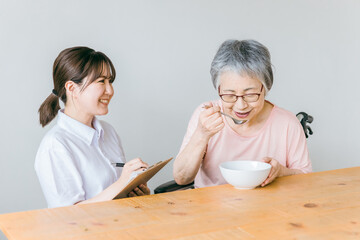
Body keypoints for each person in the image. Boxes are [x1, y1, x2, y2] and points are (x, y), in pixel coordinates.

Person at [173, 39, 312, 188]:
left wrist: (281, 172)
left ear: (265, 88)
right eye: (229, 95)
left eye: (250, 94)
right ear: (218, 89)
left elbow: (306, 178)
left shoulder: (287, 123)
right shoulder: (205, 116)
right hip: (211, 208)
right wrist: (202, 134)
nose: (240, 106)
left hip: (270, 208)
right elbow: (181, 178)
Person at [35, 46, 150, 208]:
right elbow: (68, 213)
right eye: (101, 81)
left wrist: (133, 192)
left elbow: (114, 196)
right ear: (71, 88)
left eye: (110, 81)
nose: (110, 90)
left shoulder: (108, 132)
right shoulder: (55, 145)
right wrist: (122, 182)